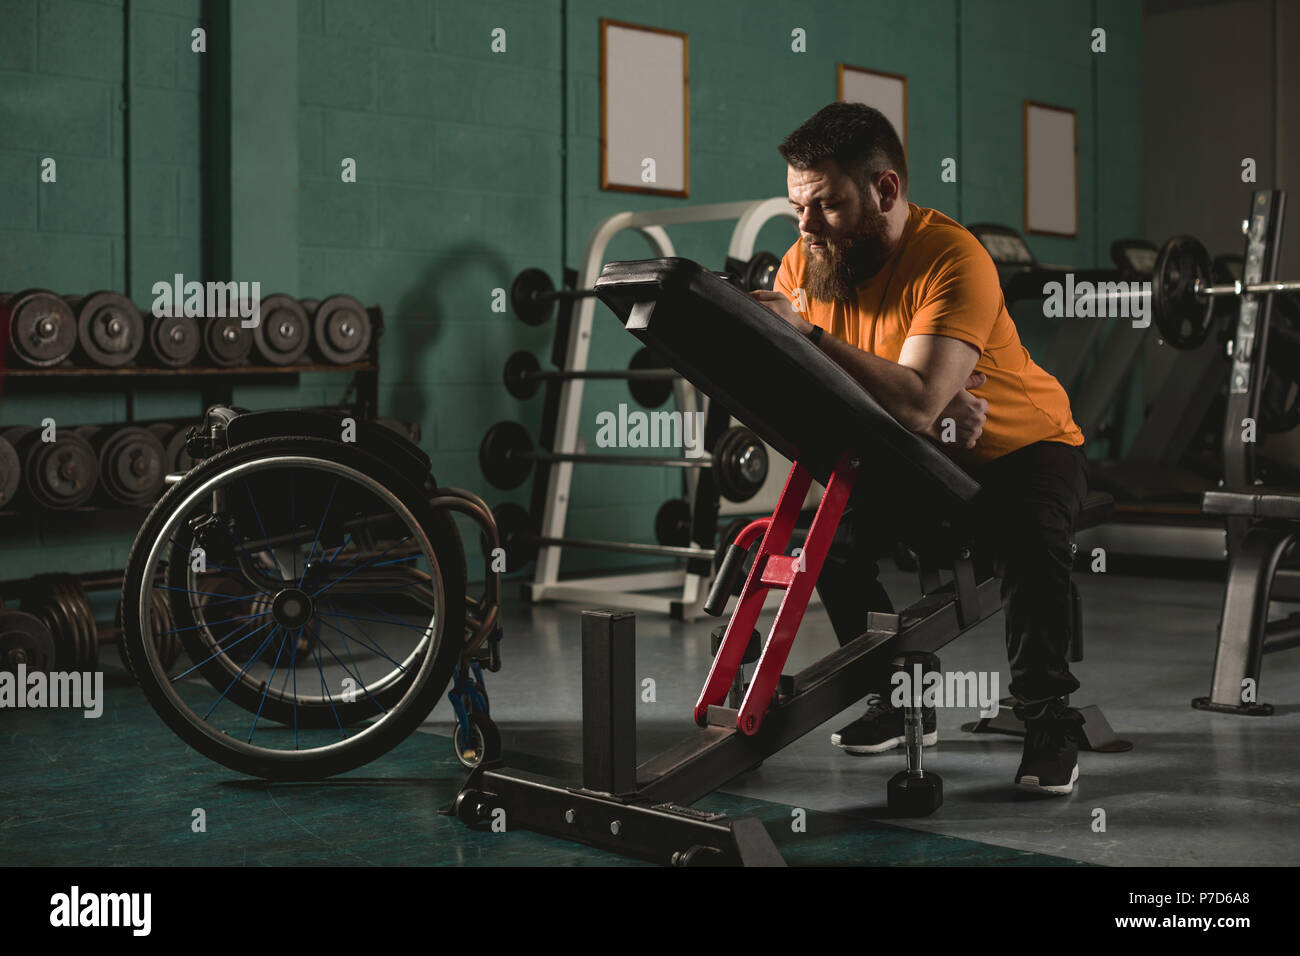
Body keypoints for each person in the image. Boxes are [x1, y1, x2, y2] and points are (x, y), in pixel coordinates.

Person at [750, 102, 1089, 795]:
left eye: (827, 206)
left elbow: (912, 400)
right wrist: (920, 400)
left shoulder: (952, 257)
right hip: (913, 450)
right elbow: (885, 403)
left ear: (886, 190)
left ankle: (1049, 719)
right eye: (797, 208)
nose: (806, 227)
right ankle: (901, 695)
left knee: (1031, 540)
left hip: (1021, 447)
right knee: (832, 543)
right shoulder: (808, 260)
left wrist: (814, 343)